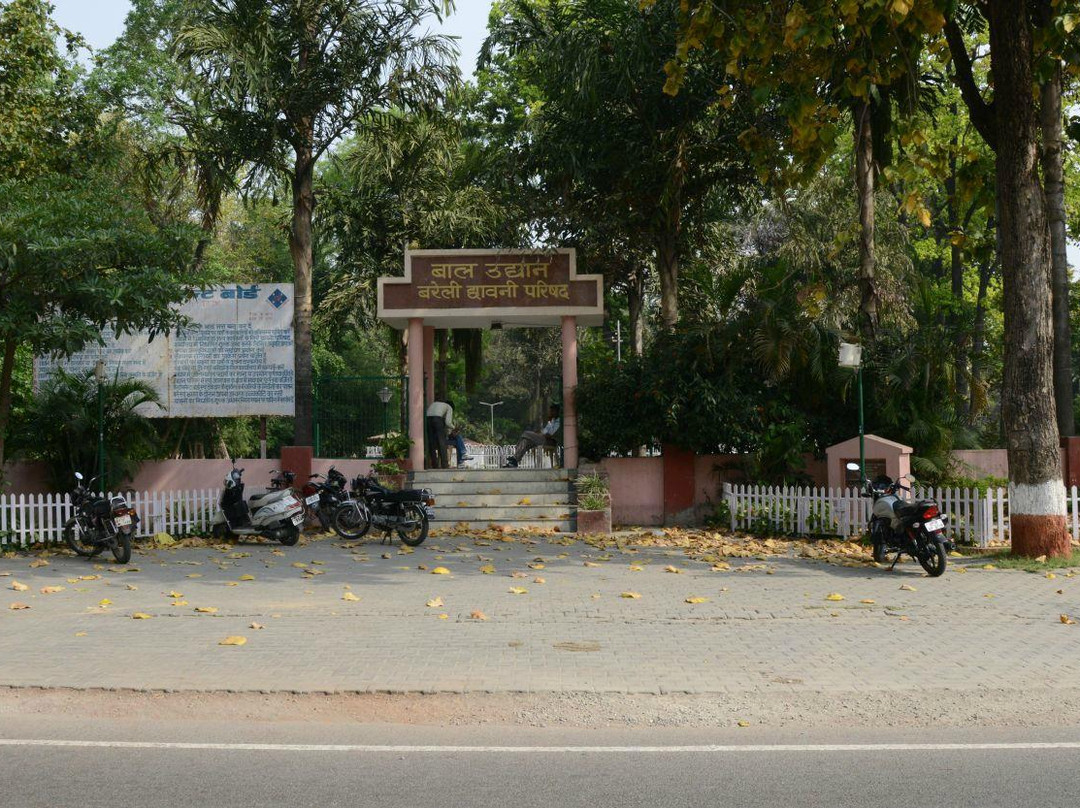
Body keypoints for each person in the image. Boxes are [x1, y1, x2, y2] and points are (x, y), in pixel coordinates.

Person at [425, 399, 472, 469]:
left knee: (431, 444)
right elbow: (448, 422)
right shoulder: (449, 407)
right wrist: (455, 428)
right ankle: (445, 465)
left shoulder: (436, 404)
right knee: (442, 443)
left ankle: (434, 465)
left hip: (427, 419)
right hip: (437, 420)